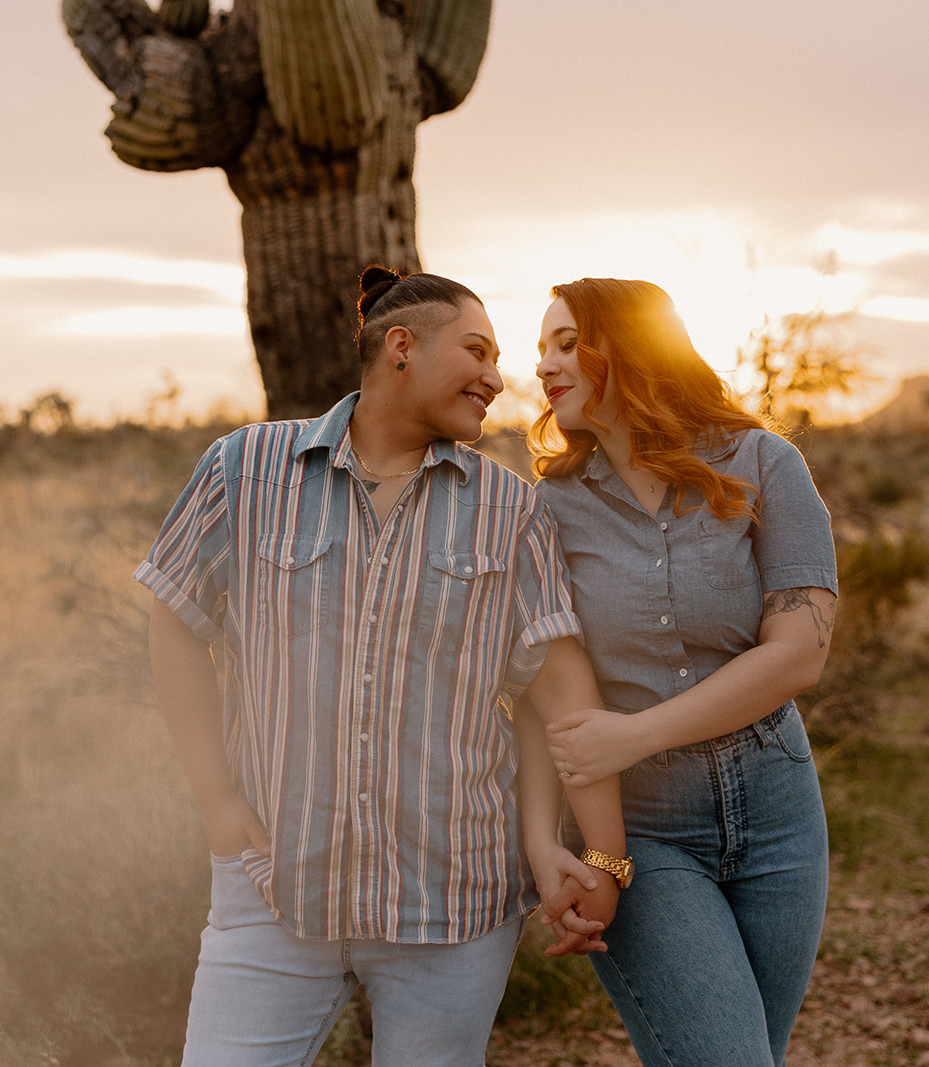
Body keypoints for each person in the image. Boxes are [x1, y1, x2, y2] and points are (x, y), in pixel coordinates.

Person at [136, 266, 623, 1067]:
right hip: (273, 890)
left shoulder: (511, 510)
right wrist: (218, 801)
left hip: (454, 908)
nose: (499, 378)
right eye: (477, 350)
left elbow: (560, 692)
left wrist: (598, 857)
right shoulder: (244, 469)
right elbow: (175, 619)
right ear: (401, 346)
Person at [528, 277, 838, 1067]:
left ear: (626, 347)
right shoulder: (550, 509)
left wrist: (632, 734)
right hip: (646, 829)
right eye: (541, 350)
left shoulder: (766, 462)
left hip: (778, 807)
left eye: (566, 343)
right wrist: (560, 845)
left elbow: (800, 650)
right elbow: (542, 694)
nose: (544, 366)